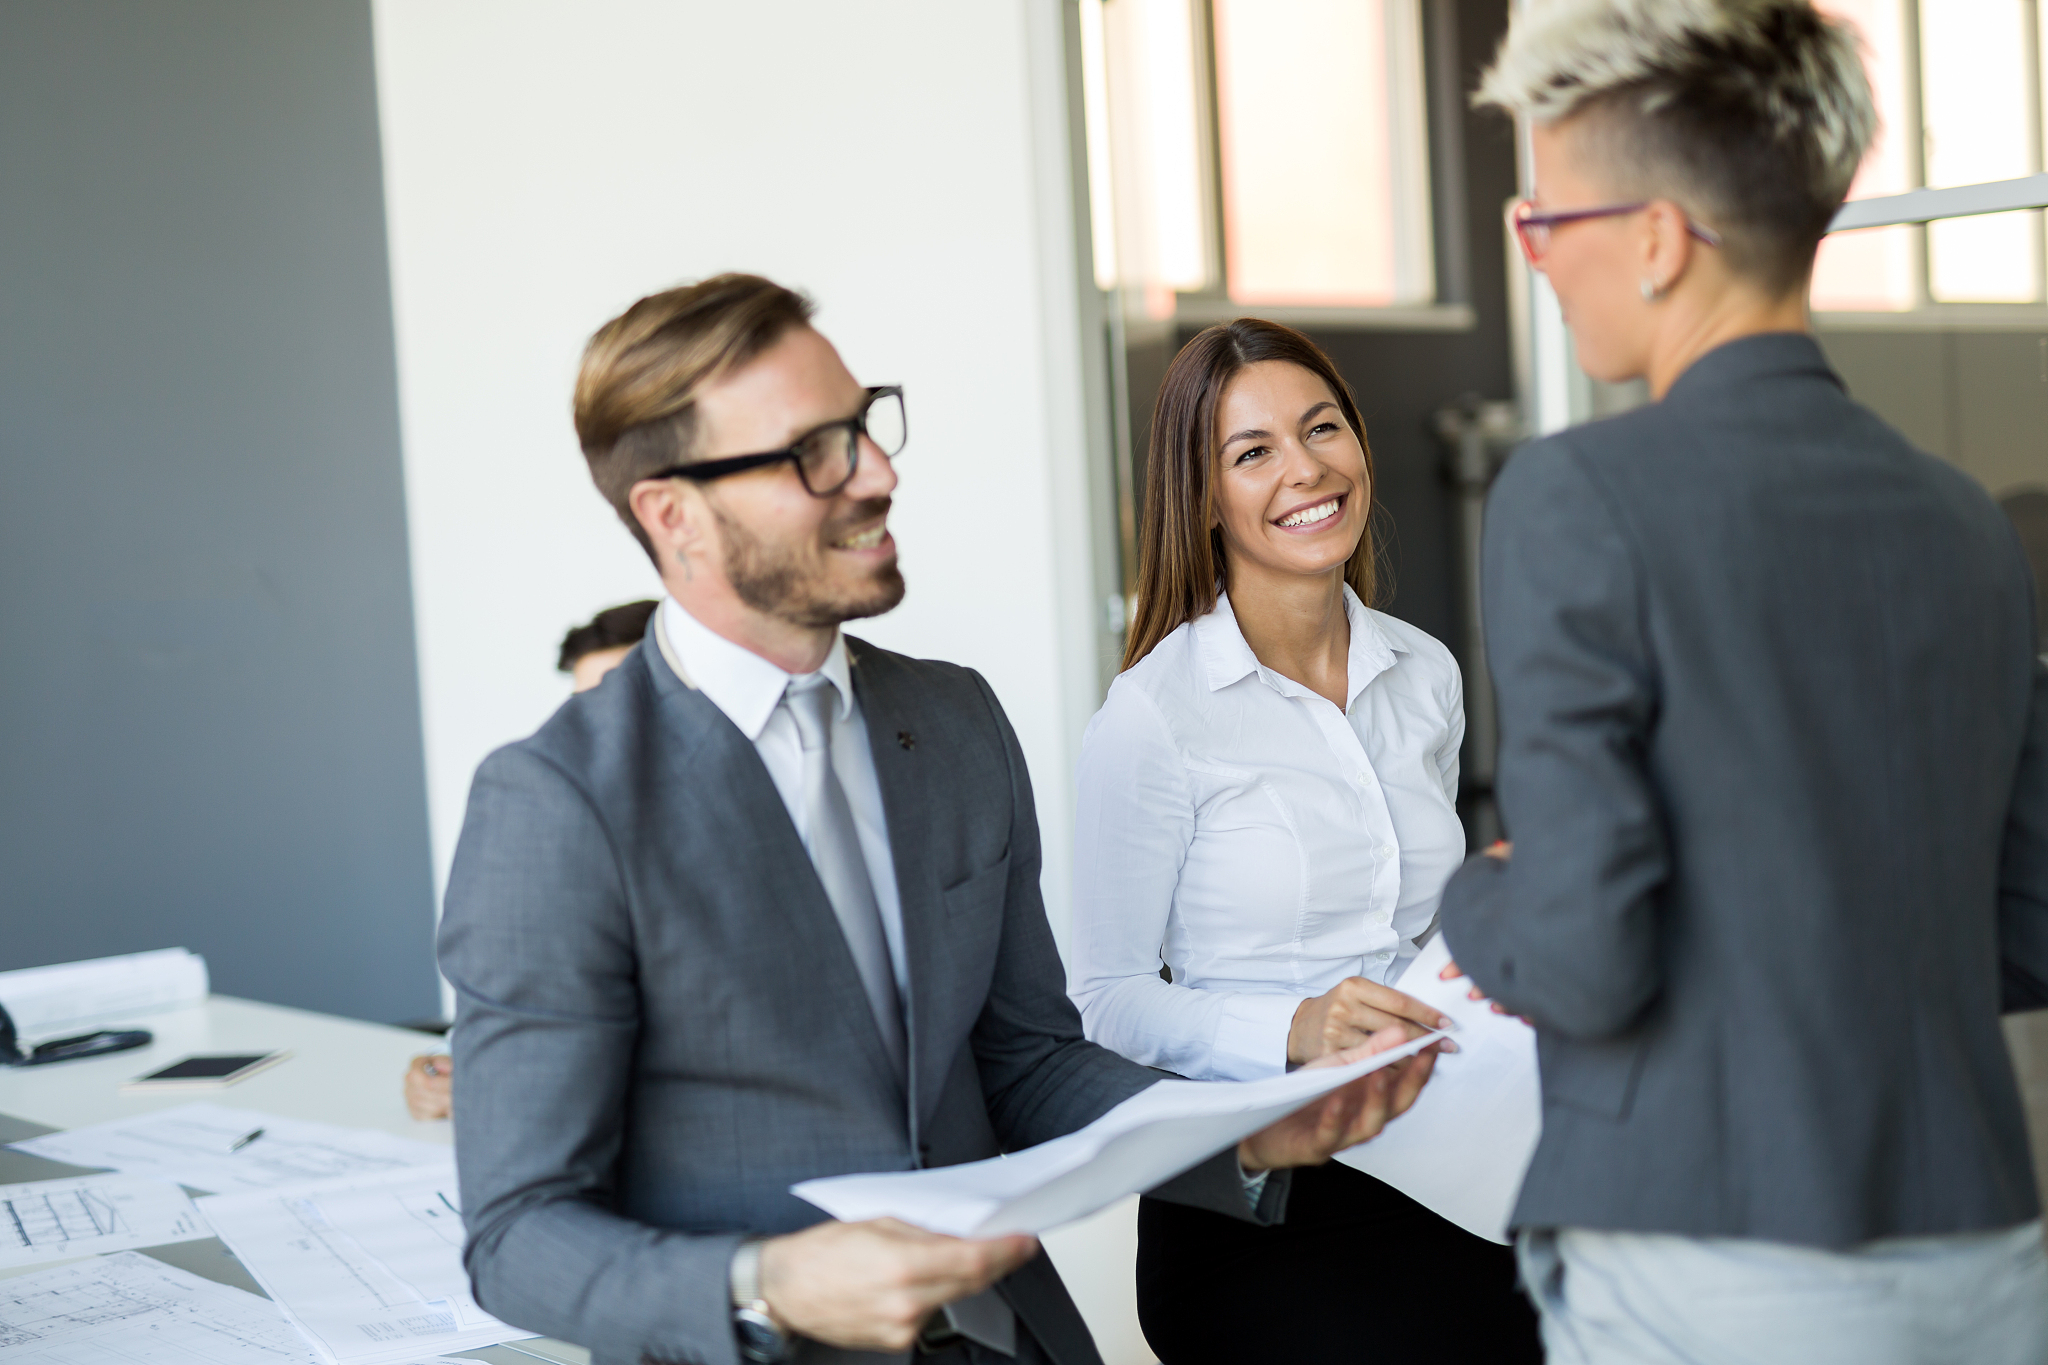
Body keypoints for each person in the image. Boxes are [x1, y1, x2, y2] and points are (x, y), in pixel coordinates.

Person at [437, 273, 1440, 1365]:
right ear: (672, 513)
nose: (877, 471)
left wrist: (1243, 1135)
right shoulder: (556, 803)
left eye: (864, 425)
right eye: (813, 450)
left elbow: (1029, 1064)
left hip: (1013, 1339)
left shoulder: (952, 722)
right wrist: (764, 1281)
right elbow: (517, 1236)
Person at [1433, 3, 2048, 1362]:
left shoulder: (1578, 494)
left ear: (1655, 240)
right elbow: (2031, 915)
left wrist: (1481, 889)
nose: (1535, 260)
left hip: (1707, 1250)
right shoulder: (1965, 519)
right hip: (1985, 1249)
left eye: (1546, 223)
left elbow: (1585, 961)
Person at [1068, 319, 1540, 1363]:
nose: (1305, 468)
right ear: (1201, 498)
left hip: (1458, 1164)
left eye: (1321, 427)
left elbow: (1419, 932)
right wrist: (1296, 1024)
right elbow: (1103, 1003)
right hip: (1267, 1205)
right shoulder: (1152, 717)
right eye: (1253, 452)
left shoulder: (1423, 672)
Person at [403, 599, 661, 1123]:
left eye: (617, 696)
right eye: (581, 705)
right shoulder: (555, 826)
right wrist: (448, 1069)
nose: (598, 727)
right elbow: (523, 1008)